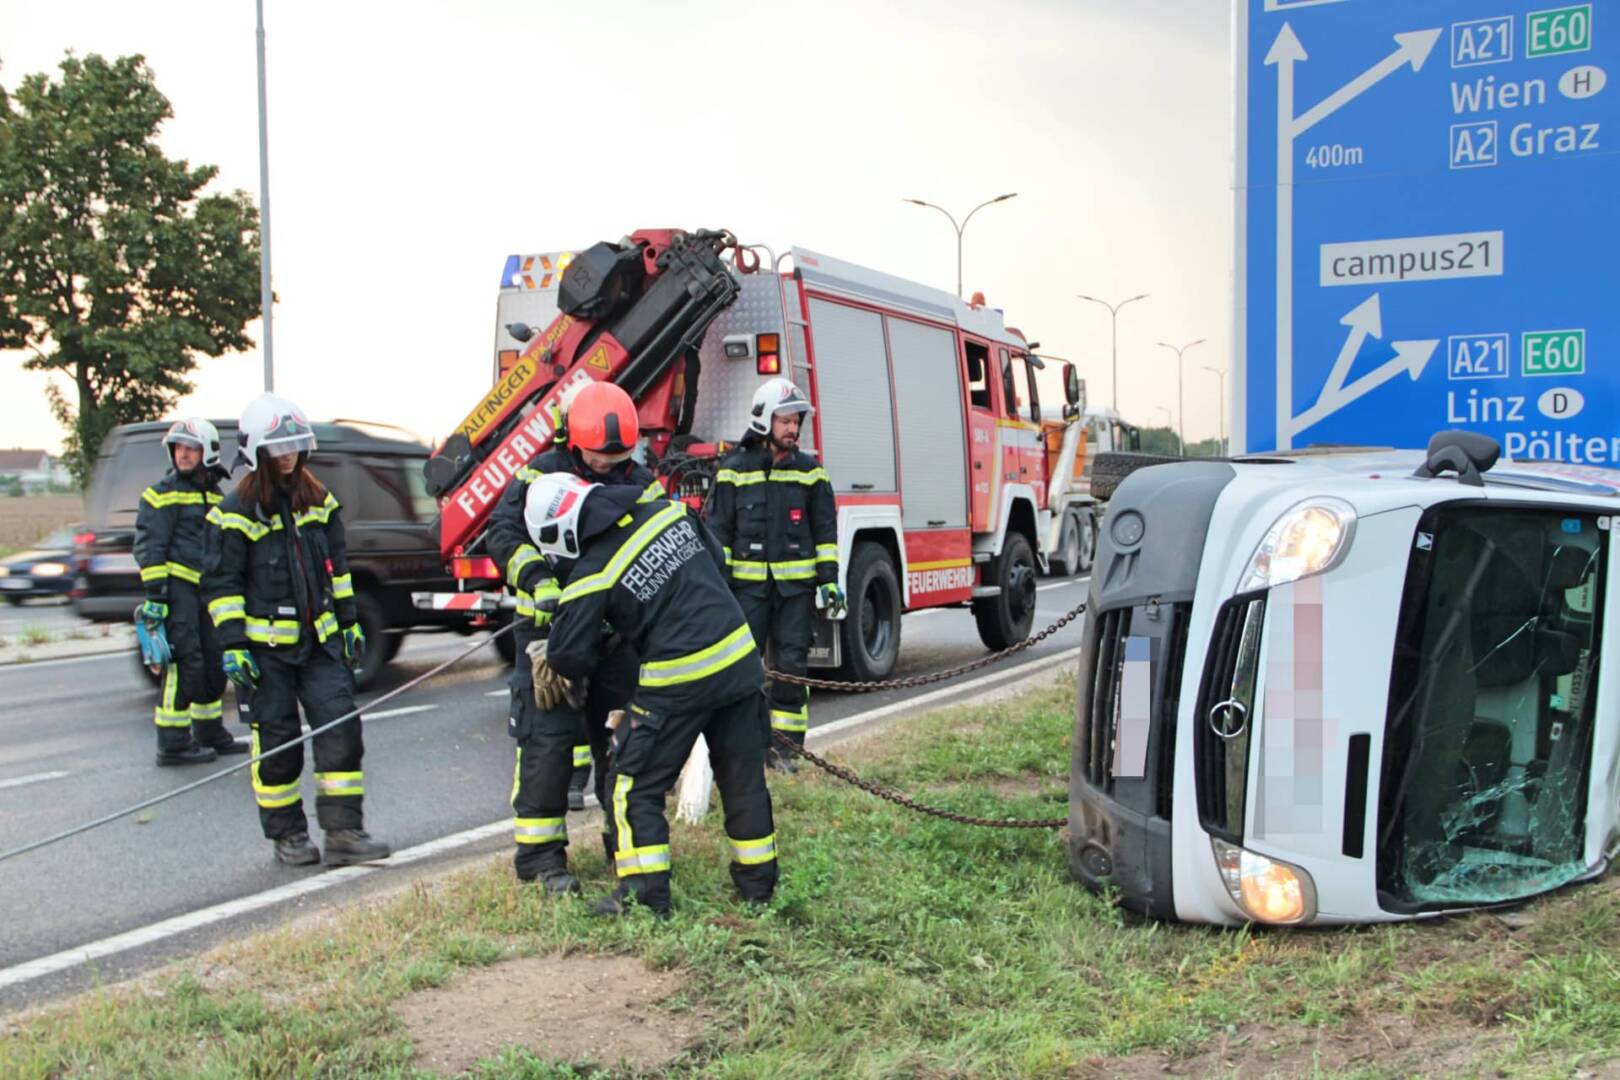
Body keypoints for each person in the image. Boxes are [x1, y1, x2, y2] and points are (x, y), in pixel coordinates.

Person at [530, 472, 777, 918]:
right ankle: (758, 888)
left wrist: (559, 636)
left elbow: (568, 656)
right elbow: (717, 564)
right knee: (743, 778)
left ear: (560, 531)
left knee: (631, 785)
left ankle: (644, 897)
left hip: (680, 678)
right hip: (740, 660)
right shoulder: (670, 513)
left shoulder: (592, 571)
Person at [484, 380, 664, 892]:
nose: (609, 465)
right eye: (599, 457)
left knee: (627, 742)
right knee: (547, 744)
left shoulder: (641, 481)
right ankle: (541, 862)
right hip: (548, 636)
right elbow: (504, 534)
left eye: (619, 455)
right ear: (569, 437)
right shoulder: (539, 474)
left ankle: (626, 843)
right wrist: (537, 579)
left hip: (613, 638)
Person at [203, 394, 390, 868]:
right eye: (278, 448)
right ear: (256, 452)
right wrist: (232, 646)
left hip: (320, 647)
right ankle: (287, 835)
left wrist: (347, 623)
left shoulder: (318, 500)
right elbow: (221, 585)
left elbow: (339, 568)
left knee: (342, 729)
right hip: (265, 655)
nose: (287, 455)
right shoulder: (235, 512)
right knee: (279, 747)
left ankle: (344, 832)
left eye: (294, 446)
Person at [705, 377, 843, 769]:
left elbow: (825, 532)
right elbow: (719, 535)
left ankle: (786, 751)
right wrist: (718, 591)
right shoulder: (733, 471)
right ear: (765, 420)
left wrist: (829, 578)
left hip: (795, 593)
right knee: (743, 671)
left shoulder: (811, 473)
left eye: (796, 420)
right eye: (785, 420)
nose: (793, 428)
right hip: (746, 593)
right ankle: (746, 749)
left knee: (791, 670)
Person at [133, 418, 249, 766]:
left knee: (213, 663)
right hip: (177, 592)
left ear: (208, 452)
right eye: (179, 448)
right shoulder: (160, 495)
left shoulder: (215, 496)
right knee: (184, 665)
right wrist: (156, 597)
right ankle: (172, 743)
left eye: (191, 448)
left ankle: (209, 732)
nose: (183, 455)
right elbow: (149, 549)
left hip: (208, 594)